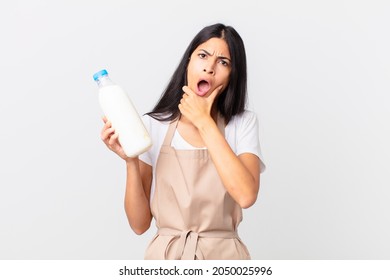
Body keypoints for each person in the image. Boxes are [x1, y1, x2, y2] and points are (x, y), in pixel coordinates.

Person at [100, 23, 266, 260]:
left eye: (223, 62)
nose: (209, 68)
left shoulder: (242, 123)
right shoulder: (153, 125)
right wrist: (130, 161)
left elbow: (246, 195)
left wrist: (204, 122)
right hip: (166, 258)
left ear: (232, 75)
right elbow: (139, 224)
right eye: (203, 56)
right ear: (188, 62)